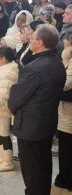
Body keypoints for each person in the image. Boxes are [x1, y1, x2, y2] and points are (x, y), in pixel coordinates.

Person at [8, 24, 66, 195]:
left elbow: (15, 98)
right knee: (43, 165)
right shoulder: (58, 63)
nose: (30, 41)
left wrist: (10, 105)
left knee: (32, 171)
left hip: (30, 128)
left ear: (40, 43)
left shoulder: (33, 68)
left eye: (32, 38)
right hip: (47, 123)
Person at [53, 32, 72, 192]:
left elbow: (65, 83)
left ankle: (66, 179)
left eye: (66, 40)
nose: (64, 42)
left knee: (66, 146)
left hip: (69, 112)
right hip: (66, 110)